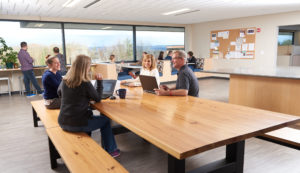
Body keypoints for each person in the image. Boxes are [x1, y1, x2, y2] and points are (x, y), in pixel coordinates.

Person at [57, 54, 120, 157]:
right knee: (105, 121)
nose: (89, 68)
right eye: (89, 66)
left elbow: (59, 92)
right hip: (77, 123)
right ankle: (111, 150)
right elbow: (98, 98)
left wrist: (78, 98)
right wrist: (99, 82)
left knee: (92, 118)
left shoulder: (65, 80)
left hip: (63, 121)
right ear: (84, 67)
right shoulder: (85, 82)